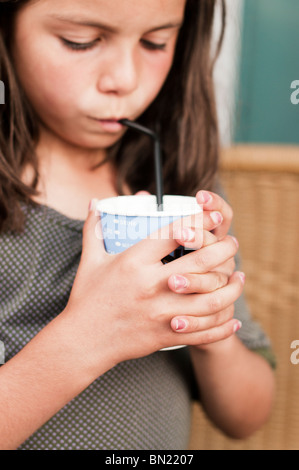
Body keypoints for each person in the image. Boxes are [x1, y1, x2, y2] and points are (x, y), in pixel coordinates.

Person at [0, 0, 275, 450]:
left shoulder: (179, 183)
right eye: (80, 41)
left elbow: (247, 416)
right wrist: (90, 337)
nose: (125, 80)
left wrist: (211, 329)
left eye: (156, 41)